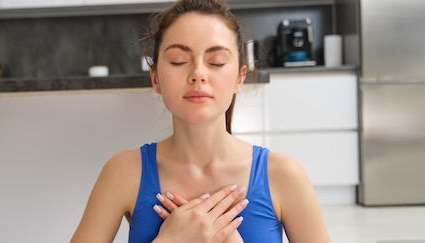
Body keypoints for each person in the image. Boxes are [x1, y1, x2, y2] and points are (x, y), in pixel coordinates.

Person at [70, 0, 331, 242]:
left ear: (240, 78)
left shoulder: (284, 175)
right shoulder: (123, 172)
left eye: (216, 62)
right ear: (155, 77)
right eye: (178, 61)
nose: (198, 74)